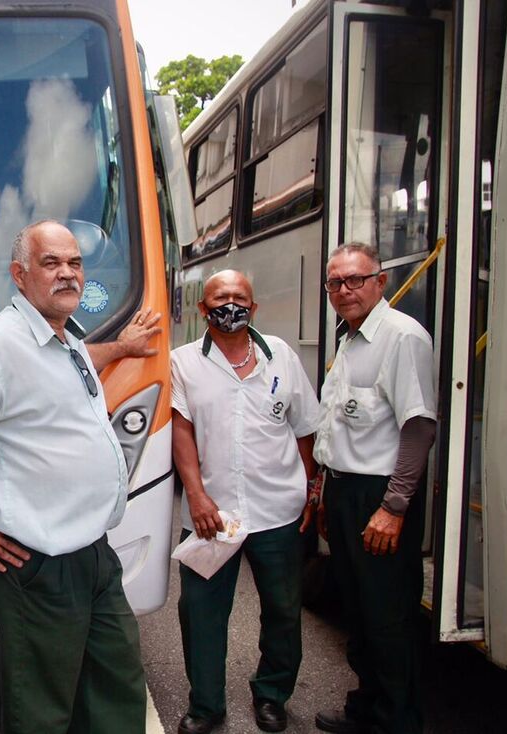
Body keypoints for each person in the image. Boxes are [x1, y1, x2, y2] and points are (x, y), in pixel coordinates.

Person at [0, 219, 161, 734]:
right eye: (51, 264)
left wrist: (124, 348)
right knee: (43, 708)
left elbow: (76, 363)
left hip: (93, 553)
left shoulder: (65, 340)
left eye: (75, 263)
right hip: (39, 564)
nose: (67, 274)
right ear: (20, 275)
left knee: (116, 684)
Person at [170, 270, 320, 734]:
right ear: (203, 309)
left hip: (277, 510)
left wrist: (310, 490)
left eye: (239, 298)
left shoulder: (283, 359)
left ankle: (272, 693)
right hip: (210, 514)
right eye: (220, 298)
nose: (229, 305)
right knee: (200, 613)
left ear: (253, 308)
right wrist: (195, 495)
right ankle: (206, 704)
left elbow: (304, 430)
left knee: (283, 609)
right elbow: (182, 431)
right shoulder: (183, 362)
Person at [312, 243, 437, 734]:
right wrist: (324, 490)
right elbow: (336, 426)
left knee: (388, 617)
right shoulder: (350, 338)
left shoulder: (403, 337)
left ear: (380, 282)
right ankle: (367, 709)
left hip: (380, 496)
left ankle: (396, 721)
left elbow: (419, 426)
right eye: (335, 283)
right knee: (359, 611)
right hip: (345, 493)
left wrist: (394, 506)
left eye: (355, 280)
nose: (345, 290)